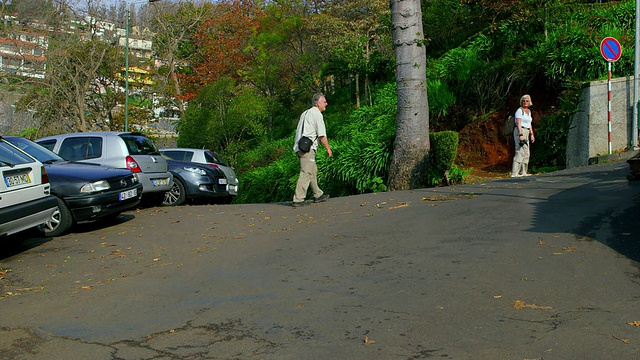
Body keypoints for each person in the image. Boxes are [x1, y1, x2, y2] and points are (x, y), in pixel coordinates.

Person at [292, 93, 333, 207]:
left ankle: (317, 194)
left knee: (312, 171)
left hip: (299, 147)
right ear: (317, 103)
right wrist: (328, 149)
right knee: (306, 172)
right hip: (308, 149)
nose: (326, 104)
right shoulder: (317, 114)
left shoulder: (305, 113)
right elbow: (321, 135)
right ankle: (298, 199)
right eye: (324, 102)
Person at [511, 94, 535, 177]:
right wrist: (520, 134)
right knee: (520, 151)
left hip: (527, 131)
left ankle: (524, 171)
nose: (525, 102)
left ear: (529, 102)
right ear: (521, 102)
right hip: (520, 130)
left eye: (527, 101)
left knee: (526, 152)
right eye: (524, 101)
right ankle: (514, 173)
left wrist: (532, 134)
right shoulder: (519, 110)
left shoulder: (529, 112)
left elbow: (529, 123)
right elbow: (518, 123)